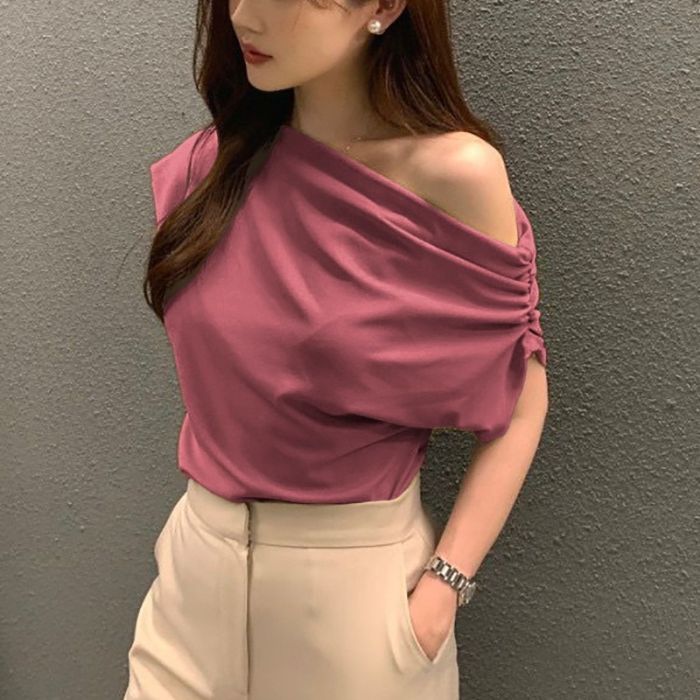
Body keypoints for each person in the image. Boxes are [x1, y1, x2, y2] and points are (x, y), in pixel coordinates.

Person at [123, 0, 549, 698]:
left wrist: (444, 587)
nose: (243, 16)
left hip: (354, 611)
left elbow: (520, 400)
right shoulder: (214, 166)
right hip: (191, 590)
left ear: (382, 6)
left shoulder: (454, 175)